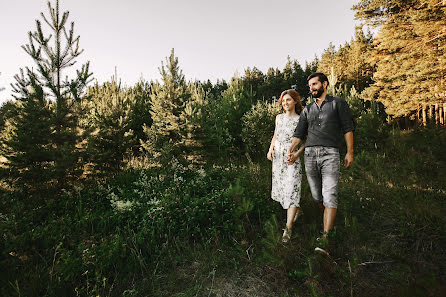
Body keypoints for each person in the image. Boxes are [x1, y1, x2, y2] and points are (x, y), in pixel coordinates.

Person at [287, 72, 355, 255]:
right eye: (310, 86)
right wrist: (291, 149)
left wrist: (350, 152)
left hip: (330, 154)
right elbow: (299, 135)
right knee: (318, 197)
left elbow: (348, 129)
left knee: (330, 194)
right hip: (309, 155)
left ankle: (326, 239)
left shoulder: (337, 103)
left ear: (324, 84)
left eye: (315, 84)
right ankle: (328, 221)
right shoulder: (308, 109)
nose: (312, 88)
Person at [267, 89, 305, 243]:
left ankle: (288, 229)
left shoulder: (301, 119)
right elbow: (276, 135)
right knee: (283, 190)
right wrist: (270, 149)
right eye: (283, 101)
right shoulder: (279, 118)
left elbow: (306, 141)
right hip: (278, 158)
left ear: (295, 101)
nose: (285, 103)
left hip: (292, 158)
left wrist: (296, 155)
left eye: (288, 100)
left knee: (292, 188)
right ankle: (297, 210)